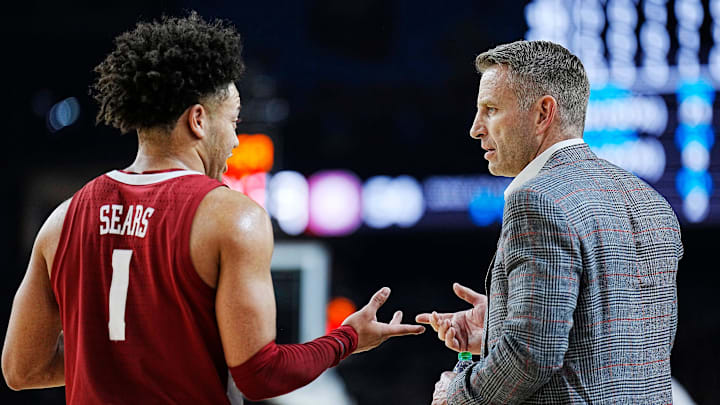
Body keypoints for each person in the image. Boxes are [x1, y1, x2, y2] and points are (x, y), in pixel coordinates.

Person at [1, 12, 424, 403]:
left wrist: (118, 363)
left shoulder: (63, 218)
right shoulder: (232, 217)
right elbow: (261, 376)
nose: (237, 140)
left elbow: (22, 369)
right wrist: (346, 339)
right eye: (234, 121)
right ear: (199, 120)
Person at [417, 40, 683, 404]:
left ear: (543, 113)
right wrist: (501, 323)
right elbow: (615, 346)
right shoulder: (651, 201)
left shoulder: (537, 200)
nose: (476, 128)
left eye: (491, 110)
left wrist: (457, 395)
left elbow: (531, 356)